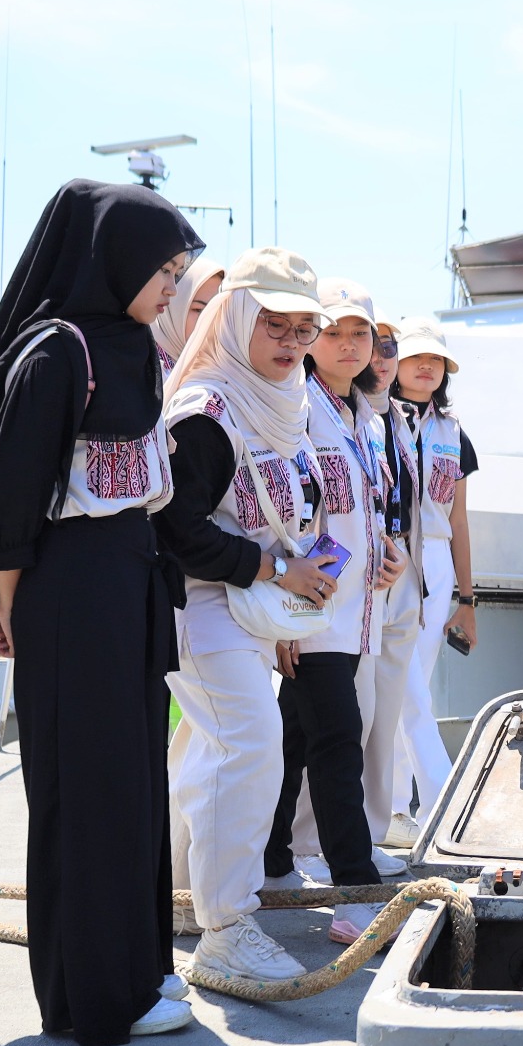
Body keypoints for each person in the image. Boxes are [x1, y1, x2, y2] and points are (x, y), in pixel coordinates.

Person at [0, 181, 199, 1045]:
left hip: (131, 581)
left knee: (133, 784)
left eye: (177, 271)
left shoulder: (135, 349)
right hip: (70, 588)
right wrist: (13, 611)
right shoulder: (56, 354)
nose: (172, 287)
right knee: (87, 790)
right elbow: (10, 506)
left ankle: (140, 970)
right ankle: (97, 998)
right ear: (115, 261)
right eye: (163, 270)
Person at [155, 249, 338, 983]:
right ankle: (226, 927)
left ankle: (179, 895)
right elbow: (176, 529)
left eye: (304, 328)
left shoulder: (282, 400)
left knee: (208, 752)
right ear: (235, 319)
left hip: (250, 613)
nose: (292, 342)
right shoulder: (207, 412)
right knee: (251, 746)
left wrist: (289, 596)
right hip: (204, 608)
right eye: (275, 324)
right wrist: (277, 572)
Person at [263, 279, 406, 944]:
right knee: (338, 739)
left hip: (355, 610)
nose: (349, 345)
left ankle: (272, 863)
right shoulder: (295, 407)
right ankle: (355, 890)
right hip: (311, 609)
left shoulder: (367, 418)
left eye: (361, 334)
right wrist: (284, 612)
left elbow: (366, 509)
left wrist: (389, 553)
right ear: (312, 338)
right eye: (334, 332)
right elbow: (285, 511)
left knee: (296, 740)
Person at [388, 319, 477, 839]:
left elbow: (459, 520)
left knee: (412, 684)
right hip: (390, 555)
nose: (426, 366)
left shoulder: (453, 431)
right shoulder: (374, 416)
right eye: (415, 356)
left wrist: (468, 599)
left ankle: (397, 810)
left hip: (438, 562)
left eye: (436, 359)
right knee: (405, 687)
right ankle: (441, 802)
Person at [360, 312, 426, 850]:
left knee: (386, 712)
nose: (381, 358)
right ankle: (312, 839)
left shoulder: (402, 420)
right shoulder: (328, 410)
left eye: (389, 348)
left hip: (400, 568)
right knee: (352, 715)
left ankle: (375, 828)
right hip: (354, 578)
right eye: (373, 345)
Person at [151, 254, 225, 377]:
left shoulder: (215, 371)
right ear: (173, 307)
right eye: (198, 310)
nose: (210, 320)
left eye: (217, 310)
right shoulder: (144, 369)